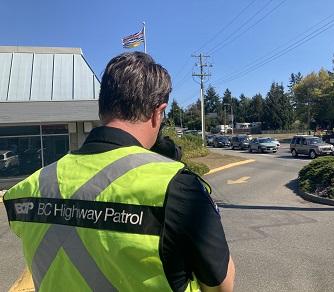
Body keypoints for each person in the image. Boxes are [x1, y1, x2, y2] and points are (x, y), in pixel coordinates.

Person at [4, 51, 235, 292]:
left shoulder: (28, 188)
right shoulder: (177, 189)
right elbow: (221, 286)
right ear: (158, 112)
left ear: (101, 109)